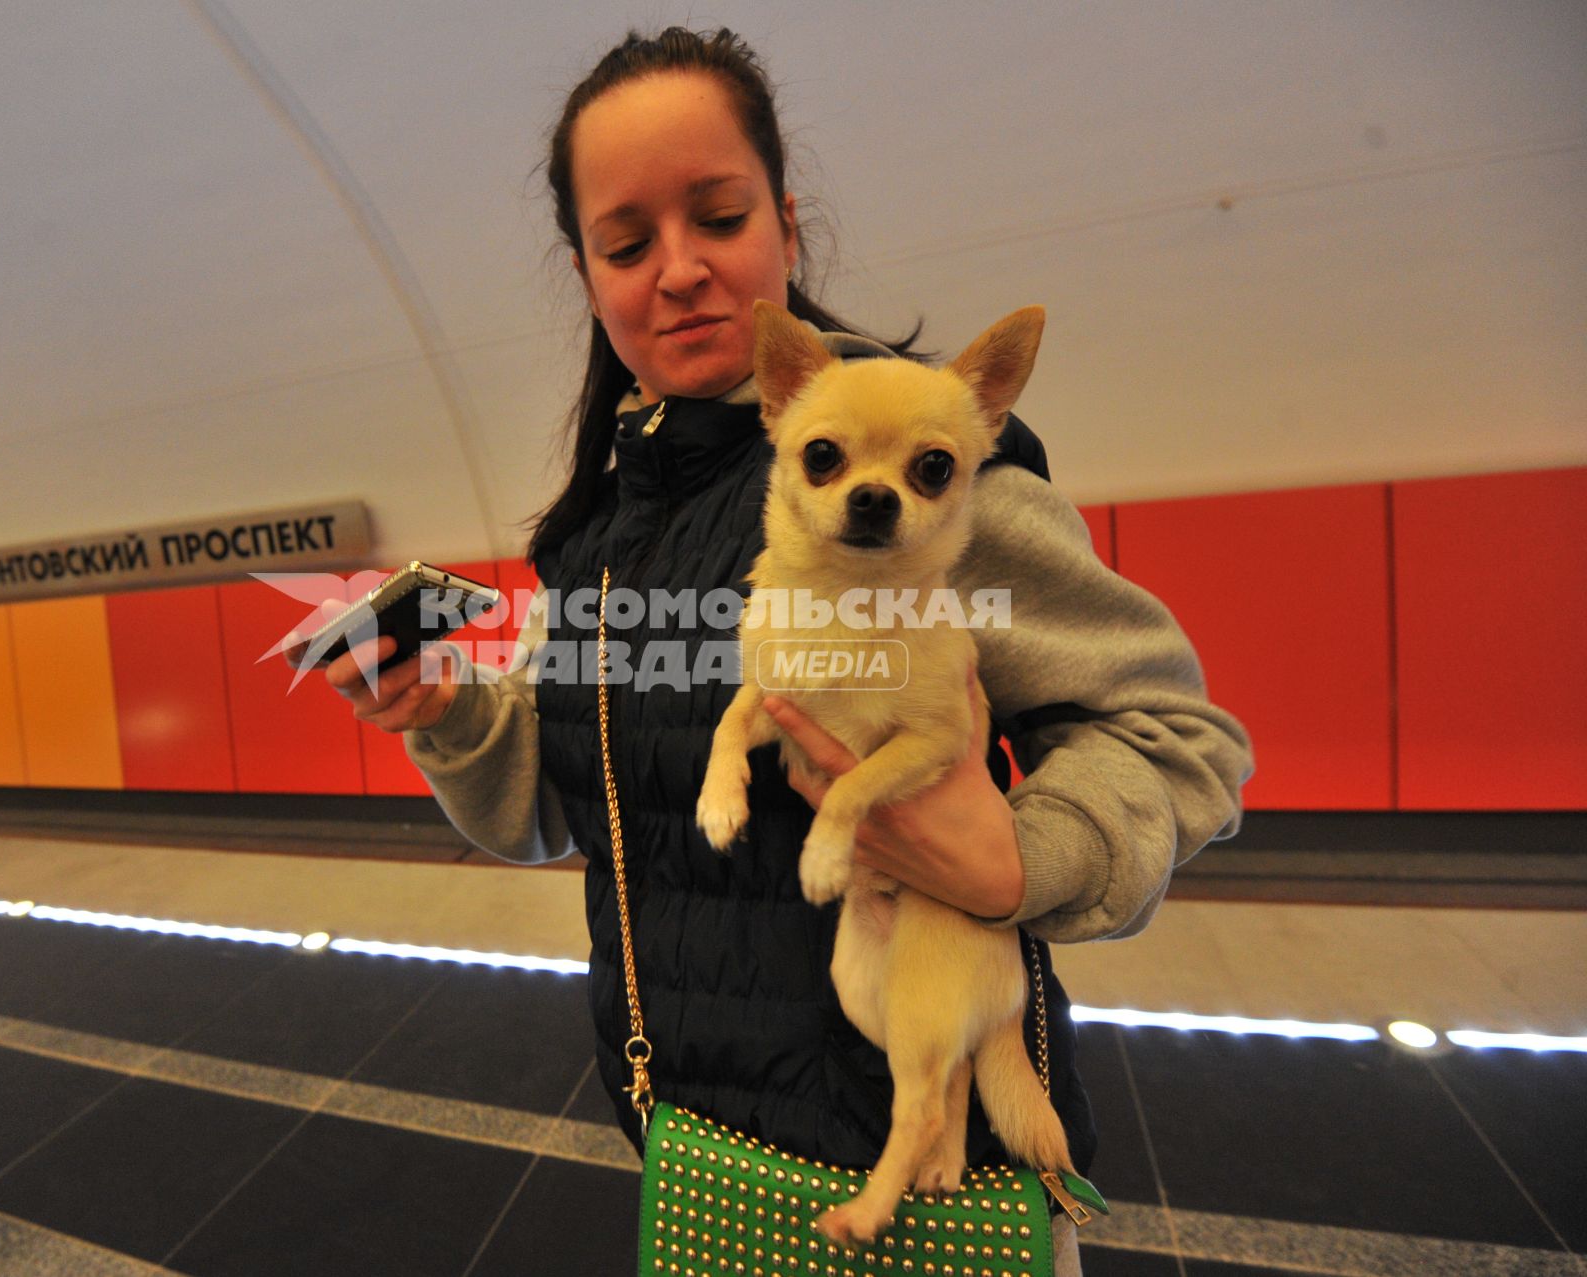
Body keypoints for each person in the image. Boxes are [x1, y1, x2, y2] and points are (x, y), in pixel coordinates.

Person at [327, 27, 1253, 1274]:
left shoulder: (923, 464)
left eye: (718, 215)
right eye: (627, 242)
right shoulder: (597, 533)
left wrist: (1020, 856)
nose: (680, 271)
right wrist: (445, 710)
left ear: (785, 220)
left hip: (931, 1177)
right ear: (588, 273)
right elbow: (563, 814)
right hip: (697, 1161)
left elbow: (1175, 740)